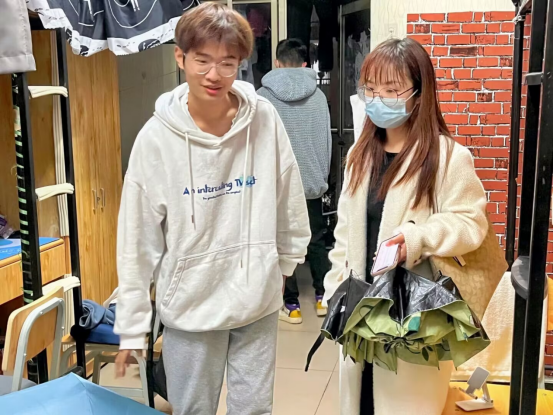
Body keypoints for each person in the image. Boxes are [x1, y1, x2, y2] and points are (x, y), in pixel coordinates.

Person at [113, 4, 311, 415]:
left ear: (241, 63)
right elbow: (136, 237)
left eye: (227, 62)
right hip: (191, 307)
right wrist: (132, 325)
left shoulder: (264, 119)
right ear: (180, 57)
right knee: (192, 410)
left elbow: (287, 194)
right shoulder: (156, 139)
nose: (214, 74)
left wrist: (284, 265)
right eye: (202, 60)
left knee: (254, 409)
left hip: (256, 300)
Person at [323, 38, 488, 415]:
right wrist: (335, 291)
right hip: (359, 317)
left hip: (414, 321)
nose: (378, 99)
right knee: (361, 403)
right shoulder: (359, 155)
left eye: (392, 90)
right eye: (370, 88)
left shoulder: (447, 157)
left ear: (418, 93)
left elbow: (471, 224)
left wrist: (416, 238)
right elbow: (344, 235)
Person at [257, 38, 332, 324]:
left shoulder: (262, 96)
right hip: (310, 181)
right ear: (305, 64)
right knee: (316, 239)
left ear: (277, 63)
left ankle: (291, 304)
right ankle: (323, 297)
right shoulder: (318, 97)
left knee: (280, 242)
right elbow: (325, 142)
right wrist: (321, 177)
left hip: (275, 183)